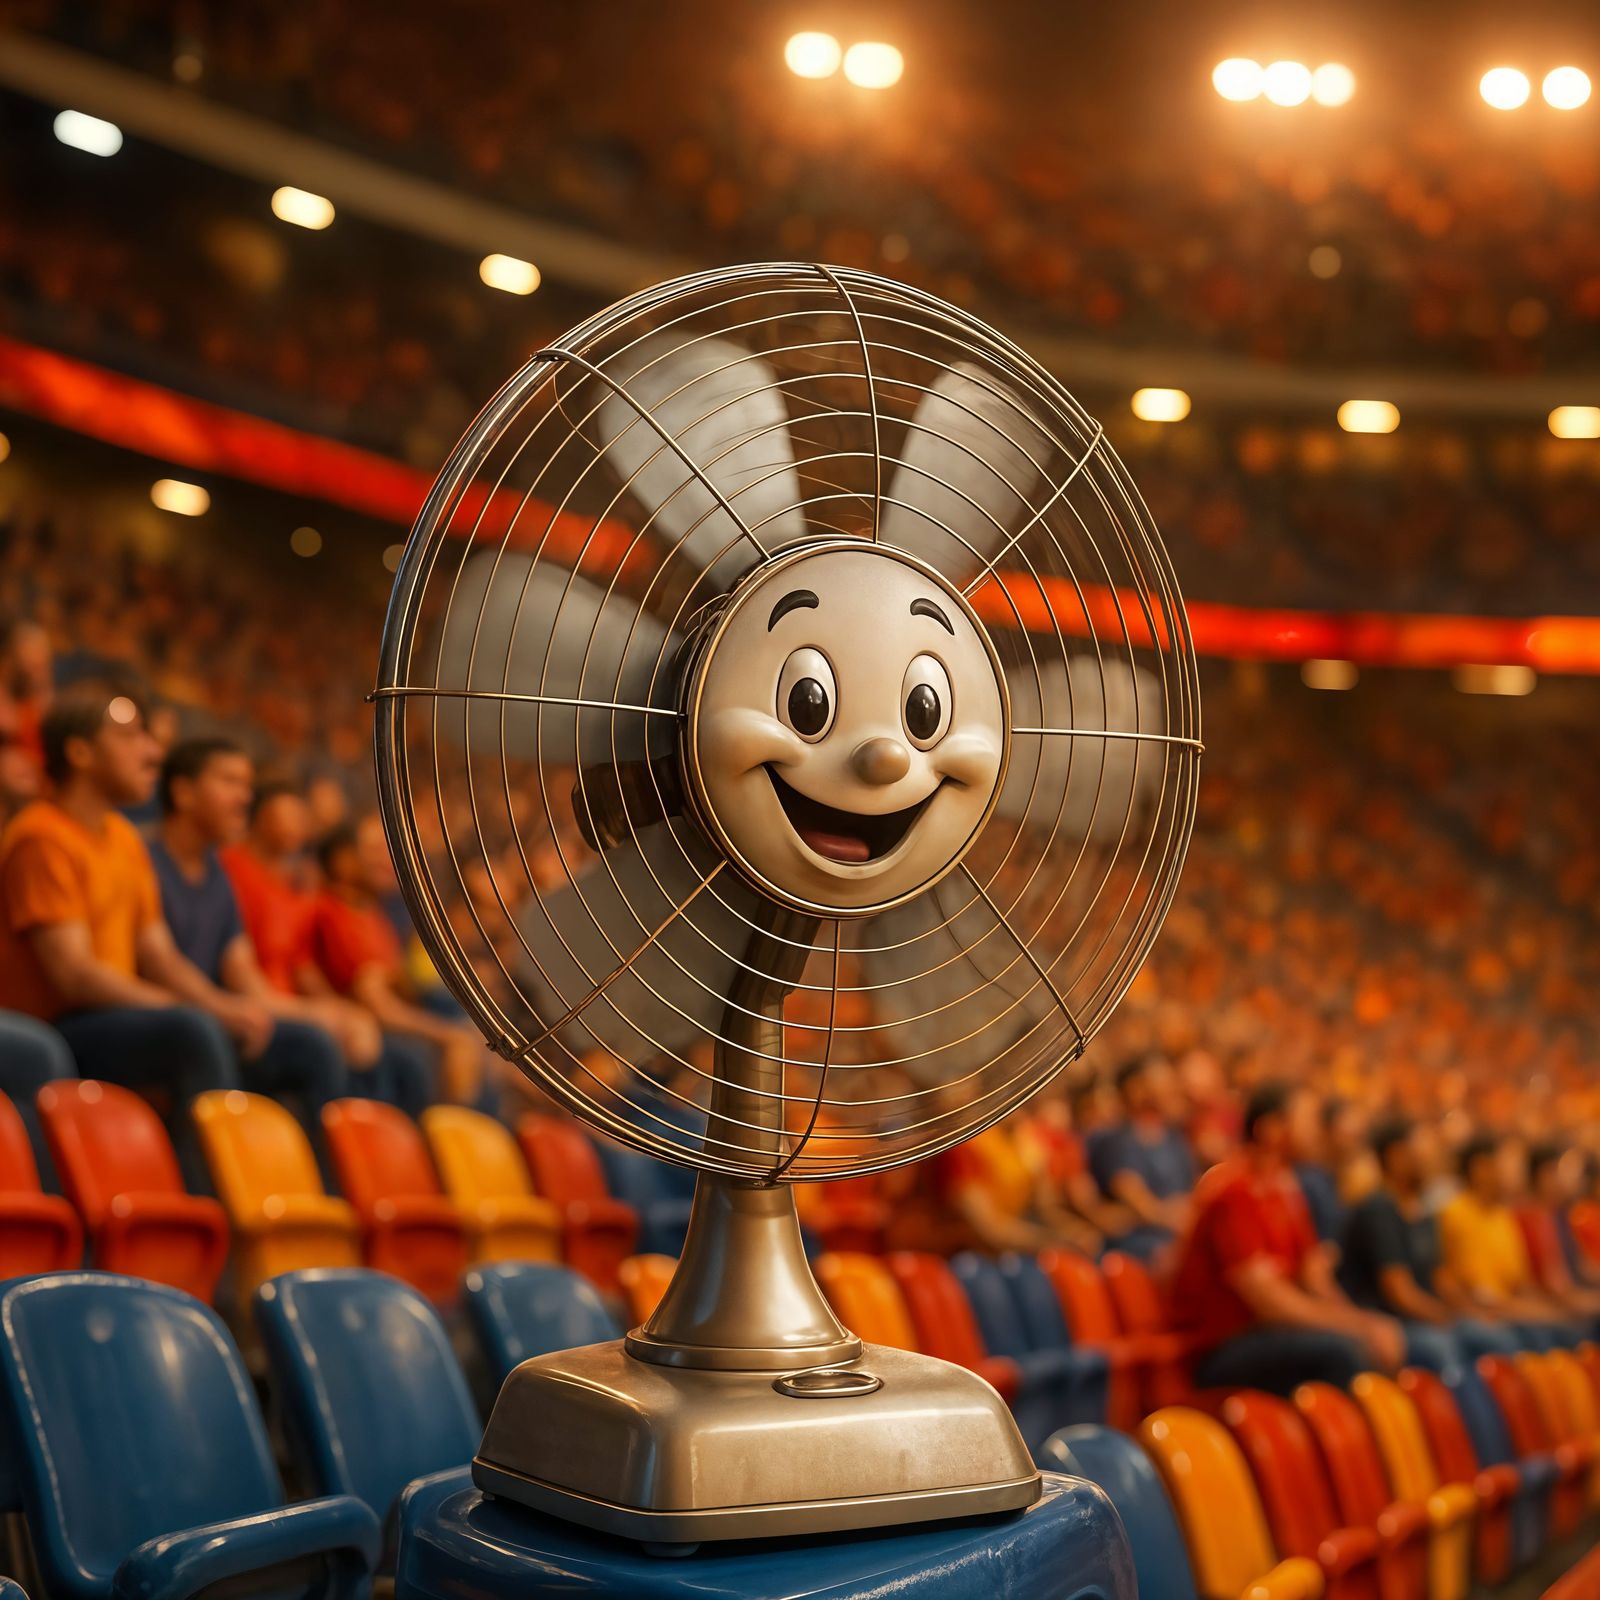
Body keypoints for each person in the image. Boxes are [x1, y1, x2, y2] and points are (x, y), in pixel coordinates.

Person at [0, 685, 243, 1175]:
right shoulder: (42, 836)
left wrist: (219, 1006)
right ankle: (210, 1202)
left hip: (106, 1016)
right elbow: (75, 976)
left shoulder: (125, 838)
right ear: (80, 752)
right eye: (131, 736)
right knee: (191, 1032)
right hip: (62, 1020)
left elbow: (159, 953)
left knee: (222, 1027)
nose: (152, 753)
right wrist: (179, 1007)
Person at [149, 738, 373, 1144]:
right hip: (164, 1010)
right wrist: (226, 1007)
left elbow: (243, 971)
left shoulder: (217, 875)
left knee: (318, 1046)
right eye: (229, 781)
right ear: (183, 792)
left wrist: (320, 1013)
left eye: (247, 785)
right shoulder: (148, 857)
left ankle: (341, 1176)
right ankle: (219, 1177)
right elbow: (159, 962)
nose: (244, 797)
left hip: (212, 1011)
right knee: (201, 1031)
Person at [1169, 1080, 1404, 1394]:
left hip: (1269, 1334)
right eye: (1306, 1120)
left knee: (1384, 1339)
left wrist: (1364, 1322)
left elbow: (1313, 1279)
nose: (1316, 1131)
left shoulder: (1286, 1186)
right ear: (1271, 1130)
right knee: (1344, 1352)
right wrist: (1355, 1327)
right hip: (1223, 1345)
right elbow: (1269, 1302)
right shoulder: (1234, 1189)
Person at [312, 818, 488, 1113]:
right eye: (373, 851)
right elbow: (379, 1007)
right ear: (344, 859)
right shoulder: (335, 913)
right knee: (436, 1054)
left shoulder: (374, 915)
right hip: (369, 1029)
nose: (387, 860)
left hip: (394, 1019)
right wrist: (446, 1035)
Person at [1339, 1116, 1519, 1369]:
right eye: (1423, 1147)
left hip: (1423, 1316)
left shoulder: (1422, 1208)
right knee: (1443, 1347)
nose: (1431, 1158)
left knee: (1496, 1336)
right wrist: (1447, 1317)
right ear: (1396, 1156)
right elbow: (1399, 1292)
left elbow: (1439, 1277)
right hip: (1391, 1322)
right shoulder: (1379, 1208)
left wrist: (1470, 1311)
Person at [1438, 1133, 1572, 1348]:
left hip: (1508, 1309)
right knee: (1532, 1339)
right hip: (1477, 1314)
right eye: (1506, 1163)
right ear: (1481, 1168)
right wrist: (1540, 1313)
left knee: (1569, 1330)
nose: (1515, 1172)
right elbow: (1481, 1296)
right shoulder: (1456, 1214)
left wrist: (1549, 1309)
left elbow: (1519, 1283)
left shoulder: (1502, 1215)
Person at [1089, 1053, 1196, 1261]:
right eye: (1162, 1081)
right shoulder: (1118, 1142)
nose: (1172, 1087)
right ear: (1135, 1089)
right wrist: (1180, 1216)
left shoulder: (1174, 1138)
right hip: (1140, 1246)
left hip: (1175, 1237)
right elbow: (1140, 1204)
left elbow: (1192, 1194)